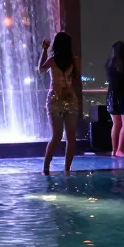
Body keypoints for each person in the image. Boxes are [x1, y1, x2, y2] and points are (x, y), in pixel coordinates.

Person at [40, 32, 81, 174]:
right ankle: (66, 169)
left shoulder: (53, 60)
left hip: (56, 99)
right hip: (68, 100)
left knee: (57, 135)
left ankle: (46, 168)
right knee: (70, 136)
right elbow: (77, 79)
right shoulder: (74, 60)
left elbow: (41, 70)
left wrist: (44, 50)